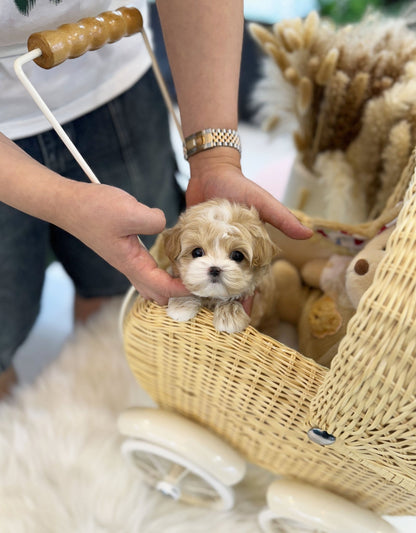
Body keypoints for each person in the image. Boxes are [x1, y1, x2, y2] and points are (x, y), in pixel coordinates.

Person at [0, 0, 312, 397]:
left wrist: (216, 159)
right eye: (198, 253)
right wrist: (61, 200)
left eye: (235, 257)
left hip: (117, 66)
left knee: (116, 290)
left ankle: (101, 390)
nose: (215, 267)